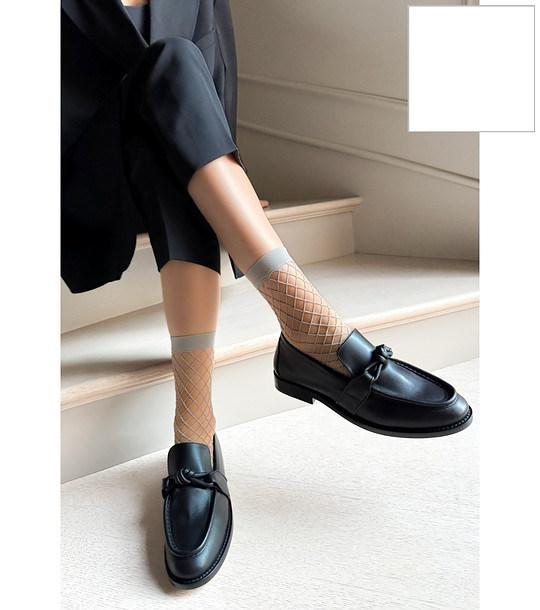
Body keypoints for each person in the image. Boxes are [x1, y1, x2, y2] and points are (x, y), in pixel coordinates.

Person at [61, 0, 473, 590]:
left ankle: (194, 431)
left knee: (175, 90)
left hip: (159, 160)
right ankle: (311, 332)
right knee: (167, 77)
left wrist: (222, 173)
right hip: (79, 180)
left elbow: (211, 83)